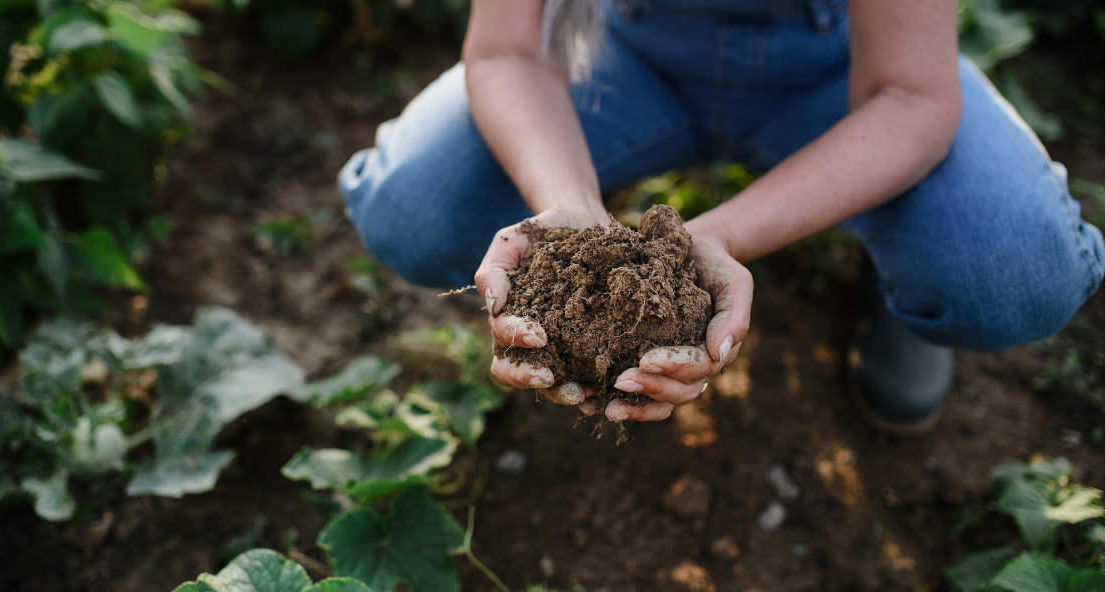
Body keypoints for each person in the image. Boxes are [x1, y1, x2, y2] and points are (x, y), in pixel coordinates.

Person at [337, 0, 1105, 433]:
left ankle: (903, 290)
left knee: (1010, 272)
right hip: (619, 49)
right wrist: (569, 212)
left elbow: (910, 95)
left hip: (846, 69)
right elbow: (507, 50)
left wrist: (717, 238)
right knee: (419, 212)